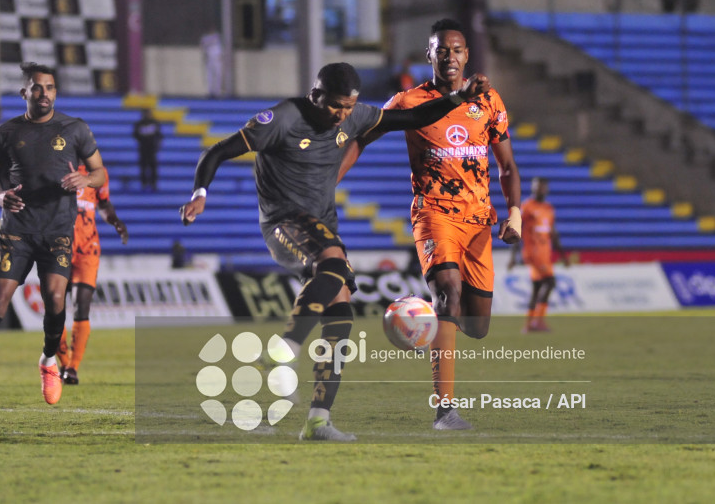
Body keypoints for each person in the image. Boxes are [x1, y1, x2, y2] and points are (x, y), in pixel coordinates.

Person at [181, 62, 489, 441]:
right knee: (331, 260)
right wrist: (199, 195)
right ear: (315, 96)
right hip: (283, 224)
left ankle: (317, 421)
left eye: (348, 107)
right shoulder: (281, 119)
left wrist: (458, 98)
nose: (341, 115)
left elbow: (410, 117)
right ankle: (285, 349)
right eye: (334, 107)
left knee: (341, 316)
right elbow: (216, 152)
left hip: (323, 227)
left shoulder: (354, 116)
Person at [340, 18, 522, 431]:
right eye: (442, 50)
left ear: (467, 55)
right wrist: (327, 182)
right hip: (434, 215)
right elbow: (363, 136)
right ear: (430, 55)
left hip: (478, 221)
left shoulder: (488, 101)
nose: (451, 57)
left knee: (476, 327)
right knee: (449, 295)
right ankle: (445, 411)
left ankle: (422, 318)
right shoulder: (409, 101)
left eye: (457, 50)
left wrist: (515, 213)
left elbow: (507, 165)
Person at [0, 62, 107, 410]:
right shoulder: (5, 133)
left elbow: (98, 171)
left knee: (55, 300)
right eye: (37, 87)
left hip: (57, 232)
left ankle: (49, 361)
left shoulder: (75, 129)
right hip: (16, 230)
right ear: (24, 92)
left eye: (50, 87)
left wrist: (85, 180)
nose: (44, 93)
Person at [57, 165, 128, 384]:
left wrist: (115, 221)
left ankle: (72, 368)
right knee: (55, 308)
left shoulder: (98, 173)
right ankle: (63, 362)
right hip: (58, 246)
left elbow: (103, 203)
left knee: (82, 306)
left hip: (88, 248)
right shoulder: (56, 163)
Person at [508, 177, 568, 334]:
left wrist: (562, 254)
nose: (540, 190)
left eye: (542, 187)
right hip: (533, 252)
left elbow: (553, 233)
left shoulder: (548, 208)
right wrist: (513, 257)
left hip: (544, 253)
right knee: (550, 282)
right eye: (537, 187)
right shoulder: (527, 207)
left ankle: (528, 325)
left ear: (546, 189)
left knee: (537, 287)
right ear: (533, 188)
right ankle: (538, 321)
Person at [132, 109, 162, 190]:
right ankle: (144, 184)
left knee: (153, 167)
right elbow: (135, 135)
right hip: (143, 150)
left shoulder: (155, 123)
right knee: (143, 167)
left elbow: (160, 136)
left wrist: (157, 145)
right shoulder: (139, 124)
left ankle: (153, 184)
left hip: (152, 150)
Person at [200, 27, 224, 98]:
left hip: (217, 58)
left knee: (218, 74)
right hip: (209, 58)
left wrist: (221, 56)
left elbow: (221, 47)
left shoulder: (218, 36)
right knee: (209, 75)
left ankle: (217, 92)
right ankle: (211, 91)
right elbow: (203, 47)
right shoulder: (205, 38)